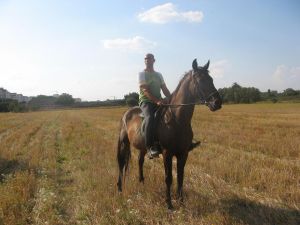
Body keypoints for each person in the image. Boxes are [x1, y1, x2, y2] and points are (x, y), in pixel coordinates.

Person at [138, 53, 171, 158]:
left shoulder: (159, 75)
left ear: (154, 60)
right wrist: (157, 101)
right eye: (145, 59)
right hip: (146, 101)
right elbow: (145, 90)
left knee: (172, 114)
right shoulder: (142, 74)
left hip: (158, 100)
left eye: (149, 58)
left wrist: (171, 98)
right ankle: (150, 147)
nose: (147, 60)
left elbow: (164, 89)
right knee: (150, 117)